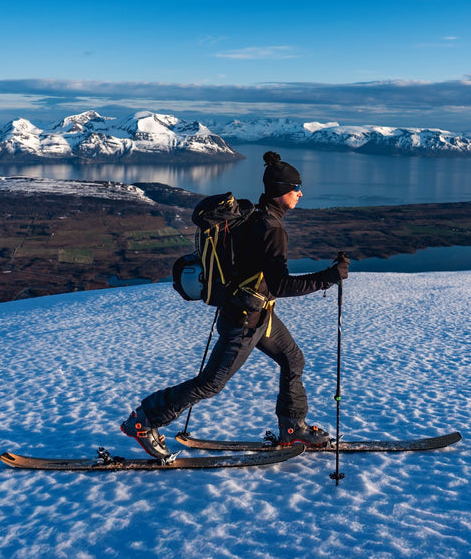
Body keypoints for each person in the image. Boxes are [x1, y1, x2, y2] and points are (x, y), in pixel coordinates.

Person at [122, 151, 350, 459]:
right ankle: (145, 420)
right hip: (244, 318)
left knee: (293, 360)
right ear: (282, 191)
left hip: (259, 313)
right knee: (211, 383)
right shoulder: (271, 229)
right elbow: (281, 285)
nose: (301, 193)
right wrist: (327, 278)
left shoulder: (254, 216)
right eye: (296, 188)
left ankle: (293, 428)